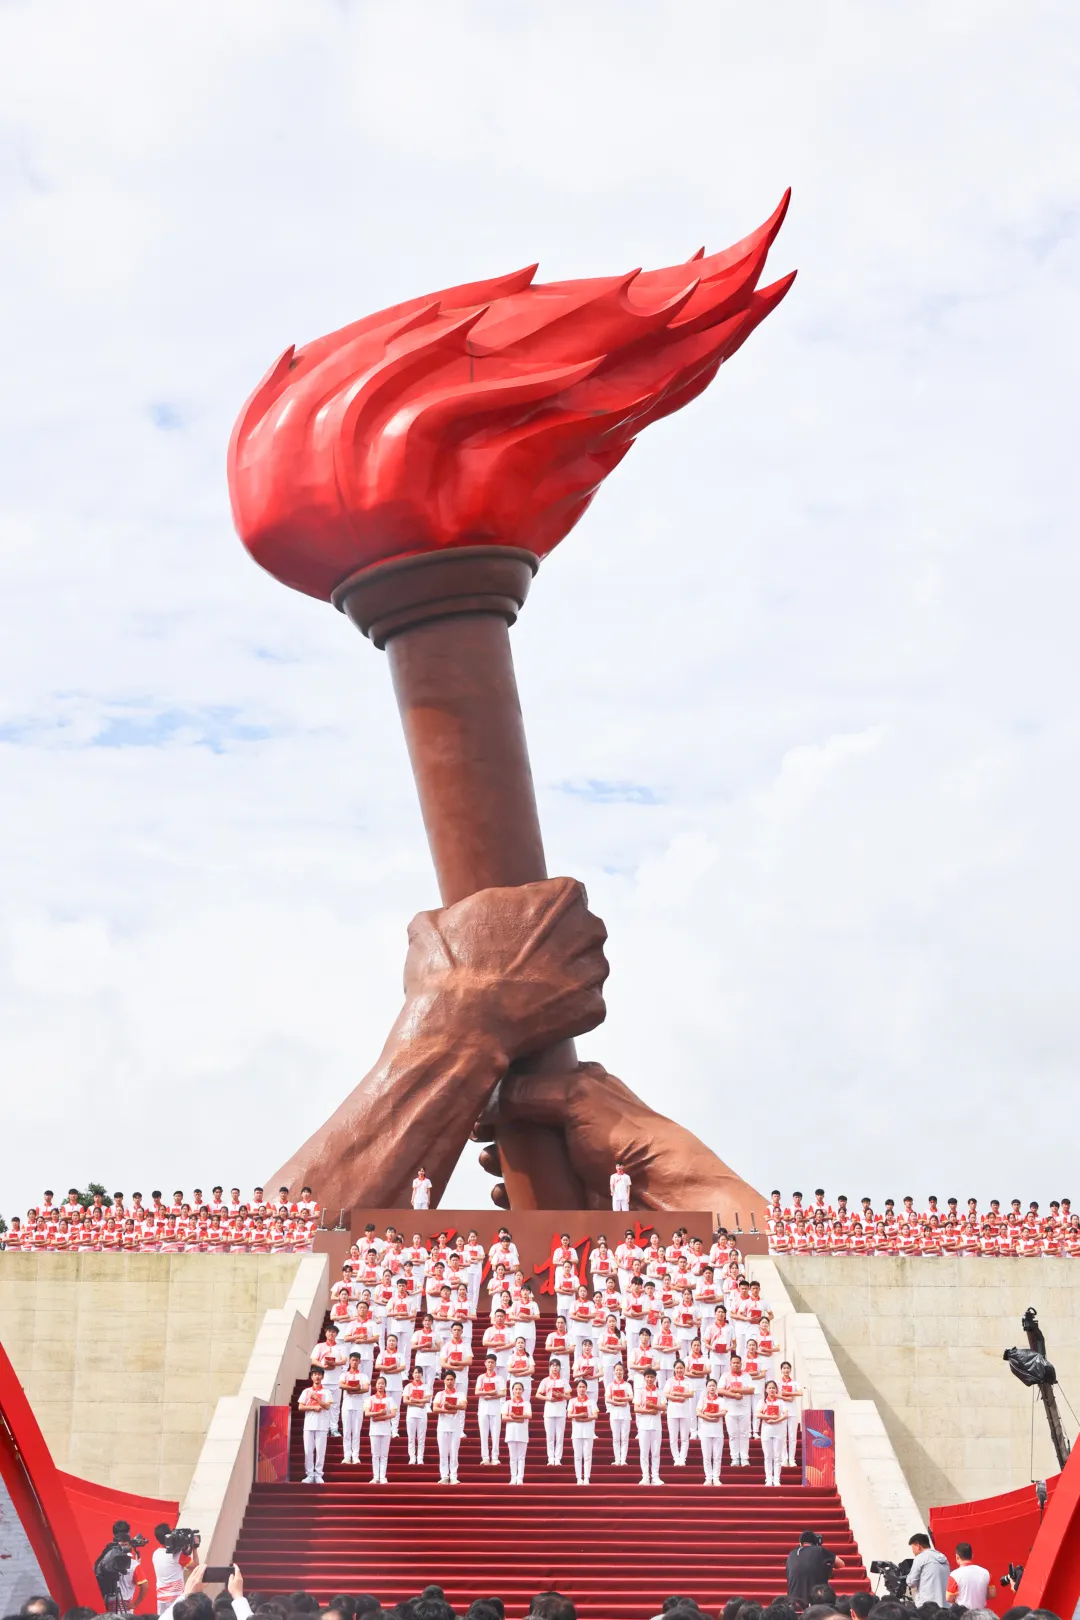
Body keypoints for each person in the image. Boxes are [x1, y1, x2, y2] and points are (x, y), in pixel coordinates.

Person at [786, 1530, 846, 1607]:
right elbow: (841, 1564)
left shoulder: (791, 1554)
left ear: (800, 1543)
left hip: (793, 1601)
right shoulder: (819, 1550)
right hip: (816, 1600)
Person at [298, 1368, 332, 1484]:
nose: (317, 1377)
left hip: (322, 1424)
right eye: (315, 1374)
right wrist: (312, 1407)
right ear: (311, 1377)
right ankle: (309, 1474)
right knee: (308, 1450)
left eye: (319, 1375)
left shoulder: (326, 1392)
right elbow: (300, 1407)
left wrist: (317, 1398)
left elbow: (327, 1406)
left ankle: (318, 1474)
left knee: (320, 1451)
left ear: (322, 1377)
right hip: (309, 1424)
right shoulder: (306, 1391)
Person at [433, 1371, 466, 1484]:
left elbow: (463, 1406)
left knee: (454, 1453)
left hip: (455, 1427)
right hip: (442, 1427)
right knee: (443, 1453)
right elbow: (435, 1408)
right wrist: (448, 1410)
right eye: (447, 1379)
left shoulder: (460, 1394)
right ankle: (444, 1475)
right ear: (444, 1381)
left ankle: (453, 1475)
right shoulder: (440, 1394)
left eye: (451, 1379)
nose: (450, 1382)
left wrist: (451, 1406)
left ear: (455, 1381)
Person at [536, 1356, 571, 1465]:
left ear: (560, 1368)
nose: (555, 1368)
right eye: (553, 1366)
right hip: (549, 1411)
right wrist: (548, 1398)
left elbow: (569, 1396)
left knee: (560, 1436)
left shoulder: (563, 1381)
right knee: (550, 1436)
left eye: (557, 1366)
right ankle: (550, 1458)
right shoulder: (545, 1381)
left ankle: (558, 1458)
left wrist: (562, 1395)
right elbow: (537, 1394)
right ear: (550, 1367)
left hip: (561, 1411)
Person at [634, 1368, 665, 1485]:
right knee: (644, 1452)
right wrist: (648, 1411)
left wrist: (654, 1407)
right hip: (643, 1425)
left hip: (656, 1425)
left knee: (656, 1452)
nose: (650, 1379)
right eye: (647, 1377)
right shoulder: (640, 1392)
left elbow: (664, 1407)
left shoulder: (660, 1392)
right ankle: (645, 1476)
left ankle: (655, 1476)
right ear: (644, 1378)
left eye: (652, 1377)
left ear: (655, 1379)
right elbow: (636, 1408)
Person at [363, 1374, 395, 1484]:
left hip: (386, 1430)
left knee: (384, 1455)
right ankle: (376, 1477)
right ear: (375, 1385)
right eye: (378, 1383)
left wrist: (380, 1417)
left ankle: (383, 1477)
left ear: (385, 1385)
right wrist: (378, 1413)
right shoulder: (370, 1399)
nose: (380, 1385)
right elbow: (367, 1413)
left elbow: (393, 1414)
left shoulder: (390, 1399)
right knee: (375, 1455)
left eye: (382, 1383)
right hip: (374, 1430)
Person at [475, 1354, 506, 1466]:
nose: (490, 1364)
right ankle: (485, 1457)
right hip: (483, 1409)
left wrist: (492, 1396)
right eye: (488, 1362)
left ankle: (495, 1457)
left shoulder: (499, 1378)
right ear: (485, 1363)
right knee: (483, 1434)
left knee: (495, 1433)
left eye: (492, 1362)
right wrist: (488, 1393)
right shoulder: (481, 1378)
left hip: (495, 1408)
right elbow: (477, 1392)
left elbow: (503, 1392)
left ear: (495, 1364)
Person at [339, 1353, 369, 1465]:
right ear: (349, 1361)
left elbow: (366, 1388)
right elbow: (341, 1385)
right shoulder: (344, 1374)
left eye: (356, 1360)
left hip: (358, 1405)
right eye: (353, 1360)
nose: (354, 1362)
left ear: (359, 1362)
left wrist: (355, 1390)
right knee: (346, 1431)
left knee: (356, 1432)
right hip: (347, 1405)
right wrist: (352, 1388)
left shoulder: (363, 1376)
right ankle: (347, 1456)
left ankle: (355, 1456)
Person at [152, 1525, 188, 1615]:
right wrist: (194, 1549)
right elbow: (196, 1567)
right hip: (176, 1597)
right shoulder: (177, 1554)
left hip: (161, 1597)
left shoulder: (155, 1554)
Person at [758, 1379, 788, 1486]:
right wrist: (768, 1417)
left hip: (778, 1430)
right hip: (766, 1430)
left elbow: (786, 1414)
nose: (771, 1390)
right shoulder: (762, 1402)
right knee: (768, 1456)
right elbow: (758, 1414)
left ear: (776, 1390)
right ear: (766, 1390)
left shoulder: (780, 1402)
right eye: (769, 1388)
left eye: (773, 1388)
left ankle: (777, 1479)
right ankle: (768, 1479)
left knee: (777, 1456)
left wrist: (776, 1420)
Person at [568, 1378, 599, 1484]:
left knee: (587, 1455)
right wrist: (580, 1415)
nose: (582, 1389)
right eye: (580, 1387)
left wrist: (586, 1418)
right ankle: (578, 1478)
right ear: (577, 1389)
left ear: (586, 1388)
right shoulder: (572, 1401)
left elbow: (595, 1415)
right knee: (577, 1455)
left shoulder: (591, 1401)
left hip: (588, 1430)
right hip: (576, 1431)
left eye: (583, 1387)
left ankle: (586, 1477)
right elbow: (569, 1415)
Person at [906, 1535, 949, 1607]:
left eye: (913, 1548)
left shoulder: (921, 1558)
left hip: (928, 1605)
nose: (913, 1551)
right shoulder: (943, 1557)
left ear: (918, 1546)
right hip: (945, 1604)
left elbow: (911, 1582)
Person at [697, 1377, 726, 1486]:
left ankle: (716, 1478)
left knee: (717, 1456)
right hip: (705, 1431)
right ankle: (708, 1477)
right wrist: (709, 1418)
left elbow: (723, 1412)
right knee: (706, 1456)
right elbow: (698, 1413)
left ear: (716, 1387)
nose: (712, 1387)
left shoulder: (721, 1400)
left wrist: (712, 1415)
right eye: (710, 1386)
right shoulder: (703, 1400)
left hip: (718, 1432)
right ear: (707, 1387)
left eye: (714, 1386)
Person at [947, 1543, 993, 1608]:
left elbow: (948, 1598)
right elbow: (992, 1594)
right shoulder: (986, 1573)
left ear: (957, 1557)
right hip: (981, 1612)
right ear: (972, 1555)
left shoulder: (954, 1575)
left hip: (963, 1612)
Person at [503, 1380, 532, 1484]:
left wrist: (516, 1416)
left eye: (520, 1389)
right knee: (513, 1457)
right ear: (512, 1390)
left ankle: (520, 1478)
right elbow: (504, 1417)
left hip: (522, 1432)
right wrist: (517, 1419)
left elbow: (529, 1415)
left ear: (523, 1391)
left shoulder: (526, 1403)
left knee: (521, 1457)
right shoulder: (508, 1403)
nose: (518, 1391)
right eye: (516, 1389)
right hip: (511, 1432)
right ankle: (513, 1477)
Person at [605, 1359, 633, 1466]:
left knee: (624, 1438)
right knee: (616, 1438)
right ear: (614, 1371)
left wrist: (621, 1399)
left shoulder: (627, 1385)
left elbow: (631, 1397)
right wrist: (617, 1402)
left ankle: (623, 1459)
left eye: (620, 1370)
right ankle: (617, 1459)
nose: (619, 1372)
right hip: (614, 1413)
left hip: (625, 1414)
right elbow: (607, 1399)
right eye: (617, 1370)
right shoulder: (610, 1386)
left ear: (624, 1372)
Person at [403, 1365, 432, 1464]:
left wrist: (414, 1400)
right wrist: (419, 1403)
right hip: (411, 1414)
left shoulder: (426, 1386)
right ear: (412, 1374)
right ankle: (412, 1457)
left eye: (419, 1373)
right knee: (411, 1437)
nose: (417, 1375)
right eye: (415, 1373)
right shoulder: (408, 1386)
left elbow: (427, 1400)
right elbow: (405, 1400)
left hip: (422, 1415)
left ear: (422, 1375)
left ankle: (420, 1458)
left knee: (421, 1437)